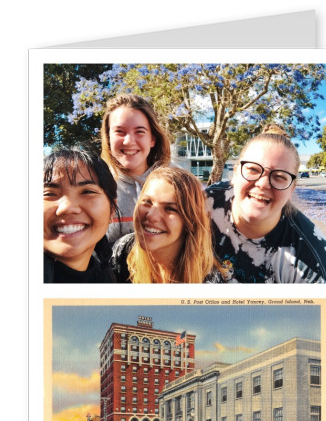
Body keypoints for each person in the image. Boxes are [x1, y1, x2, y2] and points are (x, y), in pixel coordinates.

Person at [206, 124, 326, 283]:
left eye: (279, 176)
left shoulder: (311, 261)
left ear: (292, 188)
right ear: (235, 173)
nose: (263, 184)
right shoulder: (202, 204)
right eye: (253, 169)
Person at [111, 167, 223, 283]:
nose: (151, 216)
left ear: (190, 221)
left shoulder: (208, 280)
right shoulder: (122, 251)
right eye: (147, 202)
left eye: (170, 209)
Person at [101, 93, 171, 244]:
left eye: (139, 131)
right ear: (108, 138)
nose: (129, 141)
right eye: (119, 131)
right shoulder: (96, 187)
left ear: (152, 139)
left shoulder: (176, 184)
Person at [43, 145, 119, 283]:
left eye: (87, 192)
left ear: (112, 210)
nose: (67, 207)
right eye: (49, 194)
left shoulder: (107, 279)